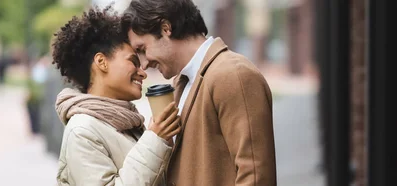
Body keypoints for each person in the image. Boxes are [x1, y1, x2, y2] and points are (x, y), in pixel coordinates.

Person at [122, 0, 277, 185]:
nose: (144, 64)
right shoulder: (182, 82)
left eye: (142, 49)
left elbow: (256, 176)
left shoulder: (233, 74)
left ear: (165, 28)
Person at [52, 7, 180, 185]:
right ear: (101, 62)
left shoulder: (126, 123)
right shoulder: (82, 131)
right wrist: (155, 140)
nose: (143, 73)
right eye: (133, 62)